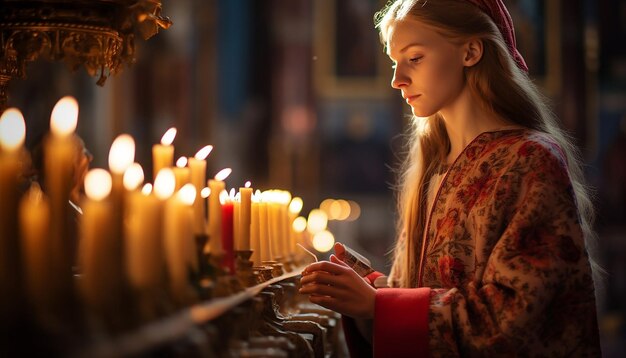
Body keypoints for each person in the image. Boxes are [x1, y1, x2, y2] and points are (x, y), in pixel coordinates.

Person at [299, 0, 602, 356]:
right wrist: (374, 288)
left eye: (414, 58)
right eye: (395, 62)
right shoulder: (436, 165)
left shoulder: (529, 159)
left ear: (471, 51)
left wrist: (378, 306)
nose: (397, 80)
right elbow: (424, 291)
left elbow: (513, 317)